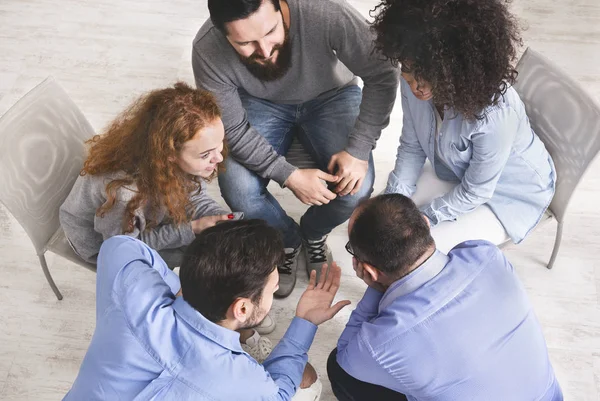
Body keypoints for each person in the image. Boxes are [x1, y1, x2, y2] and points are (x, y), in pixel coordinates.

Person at [192, 0, 399, 297]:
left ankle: (314, 233)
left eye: (271, 31)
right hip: (259, 102)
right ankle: (287, 241)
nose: (264, 51)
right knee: (237, 189)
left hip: (332, 95)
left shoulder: (326, 14)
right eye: (246, 43)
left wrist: (359, 148)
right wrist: (288, 175)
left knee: (358, 186)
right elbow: (233, 129)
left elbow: (382, 73)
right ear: (222, 35)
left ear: (280, 6)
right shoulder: (207, 48)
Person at [63, 219, 350, 401]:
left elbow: (119, 246)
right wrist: (304, 321)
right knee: (307, 383)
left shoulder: (132, 291)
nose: (275, 292)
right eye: (272, 290)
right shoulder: (243, 380)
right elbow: (279, 394)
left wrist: (190, 287)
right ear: (241, 308)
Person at [327, 194, 563, 401]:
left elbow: (345, 357)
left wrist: (376, 288)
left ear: (369, 271)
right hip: (550, 396)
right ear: (427, 224)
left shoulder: (379, 343)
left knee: (337, 370)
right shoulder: (485, 254)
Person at [373, 0, 555, 246]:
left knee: (418, 249)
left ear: (456, 69)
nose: (416, 86)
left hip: (508, 192)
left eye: (430, 73)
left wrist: (426, 216)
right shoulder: (412, 83)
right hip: (455, 172)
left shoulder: (494, 114)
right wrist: (393, 200)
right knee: (385, 220)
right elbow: (412, 146)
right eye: (408, 68)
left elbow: (477, 191)